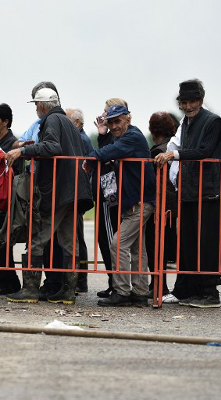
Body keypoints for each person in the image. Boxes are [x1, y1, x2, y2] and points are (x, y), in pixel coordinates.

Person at [6, 88, 93, 305]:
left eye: (37, 104)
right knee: (69, 241)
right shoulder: (65, 121)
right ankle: (67, 292)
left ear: (44, 105)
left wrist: (23, 151)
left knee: (38, 238)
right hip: (73, 190)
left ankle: (30, 290)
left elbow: (53, 147)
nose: (36, 108)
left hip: (60, 189)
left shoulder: (51, 120)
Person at [155, 79, 221, 308]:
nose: (188, 106)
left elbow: (204, 151)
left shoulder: (213, 121)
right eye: (184, 102)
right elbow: (180, 147)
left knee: (206, 242)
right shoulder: (186, 122)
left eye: (192, 102)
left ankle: (209, 292)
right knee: (187, 242)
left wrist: (173, 156)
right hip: (189, 190)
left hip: (208, 191)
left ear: (201, 100)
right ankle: (186, 289)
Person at [84, 105, 156, 306]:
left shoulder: (132, 137)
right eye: (111, 122)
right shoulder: (126, 137)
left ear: (128, 119)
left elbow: (107, 151)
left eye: (118, 121)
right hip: (134, 202)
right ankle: (140, 292)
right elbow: (110, 151)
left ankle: (122, 292)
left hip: (139, 202)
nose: (114, 126)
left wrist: (92, 158)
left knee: (118, 244)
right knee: (136, 249)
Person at [94, 98, 127, 298]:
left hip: (111, 190)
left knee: (108, 237)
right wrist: (101, 134)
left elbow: (105, 154)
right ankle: (113, 281)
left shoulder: (120, 133)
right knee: (105, 237)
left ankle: (116, 282)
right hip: (107, 187)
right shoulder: (110, 133)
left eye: (107, 112)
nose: (105, 117)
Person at [0, 103, 21, 295]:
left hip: (6, 198)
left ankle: (9, 281)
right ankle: (5, 280)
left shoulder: (12, 143)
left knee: (2, 240)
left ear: (5, 122)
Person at [146, 111, 178, 297]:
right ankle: (160, 286)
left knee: (155, 247)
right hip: (172, 205)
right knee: (163, 248)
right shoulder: (170, 149)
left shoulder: (158, 152)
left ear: (153, 130)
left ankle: (157, 286)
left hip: (159, 205)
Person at [65, 108, 93, 293]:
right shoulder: (81, 138)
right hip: (77, 193)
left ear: (77, 123)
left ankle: (80, 279)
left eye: (67, 122)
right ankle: (79, 279)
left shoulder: (80, 139)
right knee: (76, 236)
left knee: (76, 237)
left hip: (77, 193)